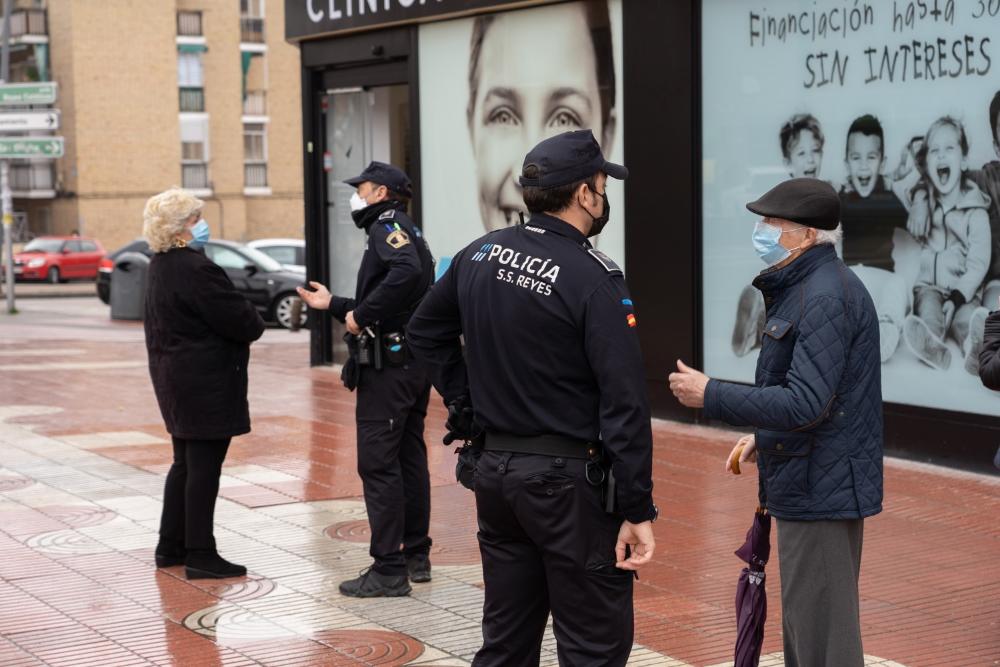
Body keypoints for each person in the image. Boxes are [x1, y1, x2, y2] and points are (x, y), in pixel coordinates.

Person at [407, 130, 657, 667]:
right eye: (600, 185)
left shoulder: (480, 253)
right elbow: (625, 401)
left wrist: (465, 402)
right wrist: (636, 507)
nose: (603, 196)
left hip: (497, 475)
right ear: (586, 194)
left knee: (507, 641)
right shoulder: (593, 278)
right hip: (567, 487)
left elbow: (424, 331)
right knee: (593, 645)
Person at [670, 178, 883, 667]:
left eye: (773, 223)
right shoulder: (808, 287)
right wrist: (764, 438)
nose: (762, 231)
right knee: (807, 631)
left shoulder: (825, 296)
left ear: (806, 236)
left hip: (822, 489)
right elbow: (817, 398)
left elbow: (806, 403)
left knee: (824, 642)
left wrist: (712, 395)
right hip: (810, 477)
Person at [296, 162, 435, 598]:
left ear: (379, 193)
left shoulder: (386, 225)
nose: (355, 196)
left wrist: (359, 314)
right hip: (411, 362)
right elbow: (399, 291)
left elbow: (406, 273)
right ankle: (416, 554)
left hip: (390, 369)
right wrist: (335, 304)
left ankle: (389, 569)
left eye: (361, 189)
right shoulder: (406, 227)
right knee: (409, 459)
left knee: (378, 464)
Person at [143, 188, 265, 579]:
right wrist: (249, 313)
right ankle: (200, 552)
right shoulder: (196, 268)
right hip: (205, 382)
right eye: (196, 220)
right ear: (180, 229)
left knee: (184, 463)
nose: (202, 226)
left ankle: (170, 545)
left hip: (175, 380)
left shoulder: (159, 265)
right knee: (203, 469)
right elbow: (244, 322)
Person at [466, 2, 616, 232]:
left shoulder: (469, 262)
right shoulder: (595, 270)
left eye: (564, 119)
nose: (524, 174)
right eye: (503, 116)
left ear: (606, 137)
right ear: (471, 128)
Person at [901, 117, 991, 374]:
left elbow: (979, 262)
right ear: (926, 164)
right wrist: (919, 196)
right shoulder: (925, 203)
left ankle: (976, 350)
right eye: (934, 151)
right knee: (928, 314)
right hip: (929, 287)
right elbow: (897, 187)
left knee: (966, 320)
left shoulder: (976, 211)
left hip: (964, 291)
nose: (941, 156)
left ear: (963, 161)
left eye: (949, 149)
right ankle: (933, 348)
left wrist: (958, 296)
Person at [732, 113, 826, 358]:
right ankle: (761, 321)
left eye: (815, 151)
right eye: (801, 153)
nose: (810, 160)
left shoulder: (828, 201)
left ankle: (762, 323)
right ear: (787, 162)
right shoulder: (785, 202)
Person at [838, 114, 911, 362]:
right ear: (846, 163)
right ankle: (843, 332)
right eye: (856, 158)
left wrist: (903, 183)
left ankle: (886, 328)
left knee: (898, 286)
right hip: (851, 278)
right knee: (832, 288)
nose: (863, 166)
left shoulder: (888, 199)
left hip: (882, 278)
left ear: (882, 162)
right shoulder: (841, 200)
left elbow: (917, 226)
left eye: (871, 157)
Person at [970, 90, 1000, 328]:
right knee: (993, 311)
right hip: (997, 283)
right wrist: (919, 197)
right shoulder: (985, 179)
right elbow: (941, 182)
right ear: (997, 147)